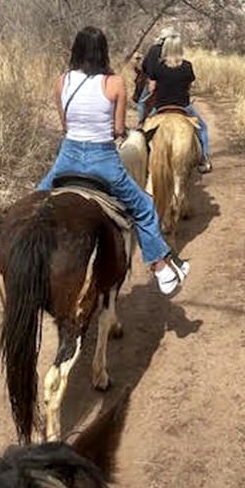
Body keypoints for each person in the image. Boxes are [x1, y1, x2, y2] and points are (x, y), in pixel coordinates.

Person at [37, 26, 189, 296]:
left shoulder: (62, 81)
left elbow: (65, 125)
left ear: (76, 50)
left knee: (35, 203)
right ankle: (160, 268)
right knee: (143, 206)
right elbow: (118, 130)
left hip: (68, 157)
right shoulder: (115, 83)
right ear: (103, 52)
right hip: (102, 161)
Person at [148, 31, 212, 173]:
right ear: (179, 48)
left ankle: (144, 156)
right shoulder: (187, 66)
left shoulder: (158, 67)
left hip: (160, 107)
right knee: (203, 128)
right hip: (183, 106)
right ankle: (204, 159)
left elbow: (152, 88)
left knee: (142, 128)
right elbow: (189, 85)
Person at [135, 26, 177, 122]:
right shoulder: (174, 52)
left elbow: (144, 65)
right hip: (170, 84)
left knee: (141, 103)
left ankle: (141, 124)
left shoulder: (153, 49)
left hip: (152, 82)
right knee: (201, 125)